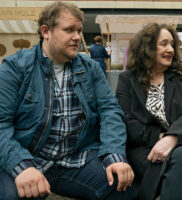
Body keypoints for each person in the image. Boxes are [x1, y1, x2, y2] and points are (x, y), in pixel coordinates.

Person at [0, 2, 134, 200]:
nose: (78, 37)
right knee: (12, 195)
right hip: (30, 157)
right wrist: (20, 166)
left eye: (79, 30)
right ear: (46, 31)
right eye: (69, 30)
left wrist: (114, 155)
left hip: (77, 158)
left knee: (120, 184)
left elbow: (110, 110)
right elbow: (1, 123)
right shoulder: (16, 67)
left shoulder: (91, 68)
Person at [116, 23, 182, 200]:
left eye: (172, 44)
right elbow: (126, 120)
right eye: (163, 44)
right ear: (147, 48)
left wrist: (173, 138)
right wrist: (160, 138)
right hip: (144, 148)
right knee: (179, 162)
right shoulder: (127, 79)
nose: (170, 49)